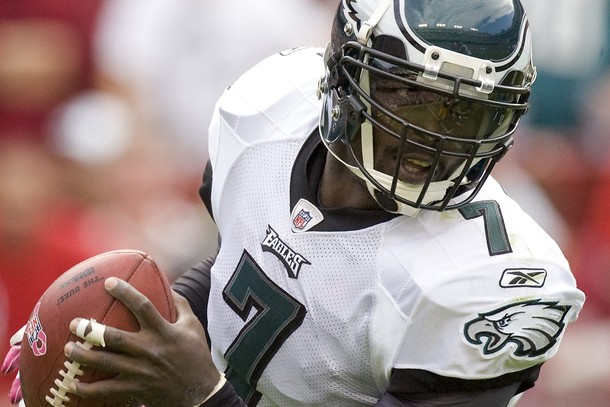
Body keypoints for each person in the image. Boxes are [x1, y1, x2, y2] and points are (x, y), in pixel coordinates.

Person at [3, 0, 585, 406]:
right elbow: (244, 274)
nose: (434, 138)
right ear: (345, 76)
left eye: (466, 114)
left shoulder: (487, 280)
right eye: (412, 97)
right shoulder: (270, 112)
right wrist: (142, 330)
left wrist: (201, 393)